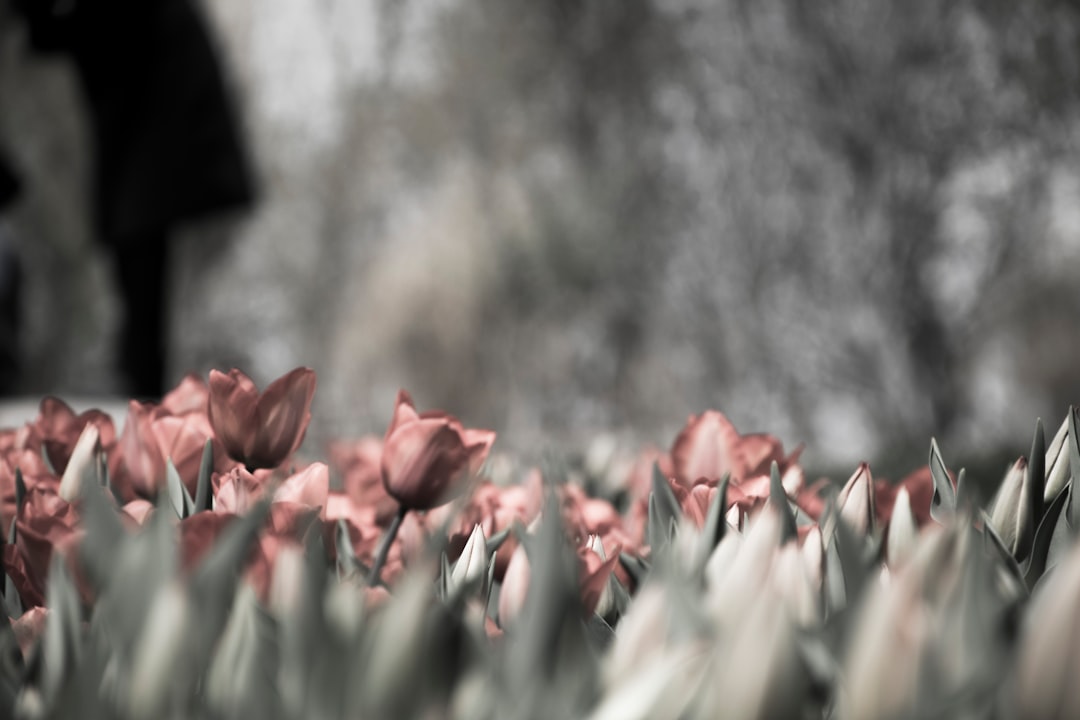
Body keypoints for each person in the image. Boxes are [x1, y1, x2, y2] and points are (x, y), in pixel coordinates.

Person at [11, 0, 256, 398]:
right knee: (149, 314)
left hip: (165, 166)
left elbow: (87, 32)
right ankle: (152, 401)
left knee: (159, 318)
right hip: (157, 167)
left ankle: (157, 408)